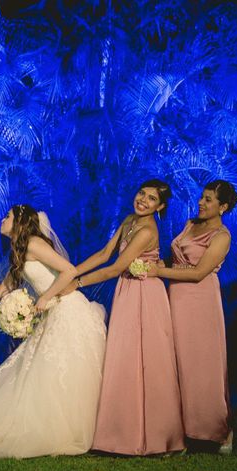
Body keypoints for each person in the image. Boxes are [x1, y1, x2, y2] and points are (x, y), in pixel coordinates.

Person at [0, 205, 107, 458]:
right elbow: (3, 290)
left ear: (19, 222)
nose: (2, 220)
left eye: (7, 216)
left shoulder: (35, 244)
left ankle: (72, 430)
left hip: (69, 310)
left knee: (61, 370)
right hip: (51, 312)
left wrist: (46, 297)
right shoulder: (18, 250)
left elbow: (69, 270)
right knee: (39, 371)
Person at [71, 179, 185, 455]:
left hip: (146, 295)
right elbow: (104, 253)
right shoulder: (130, 219)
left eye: (151, 199)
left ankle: (155, 437)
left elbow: (115, 268)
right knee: (124, 359)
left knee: (145, 360)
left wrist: (76, 285)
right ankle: (119, 432)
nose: (142, 200)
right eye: (141, 193)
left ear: (160, 206)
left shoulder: (146, 229)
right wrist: (71, 272)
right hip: (128, 290)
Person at [147, 180, 237, 454]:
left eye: (209, 199)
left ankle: (220, 431)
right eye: (202, 197)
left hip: (201, 302)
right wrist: (155, 263)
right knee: (176, 363)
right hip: (176, 297)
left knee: (202, 367)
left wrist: (157, 272)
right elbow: (176, 261)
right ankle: (181, 430)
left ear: (222, 207)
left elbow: (199, 273)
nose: (201, 202)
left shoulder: (222, 236)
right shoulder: (190, 224)